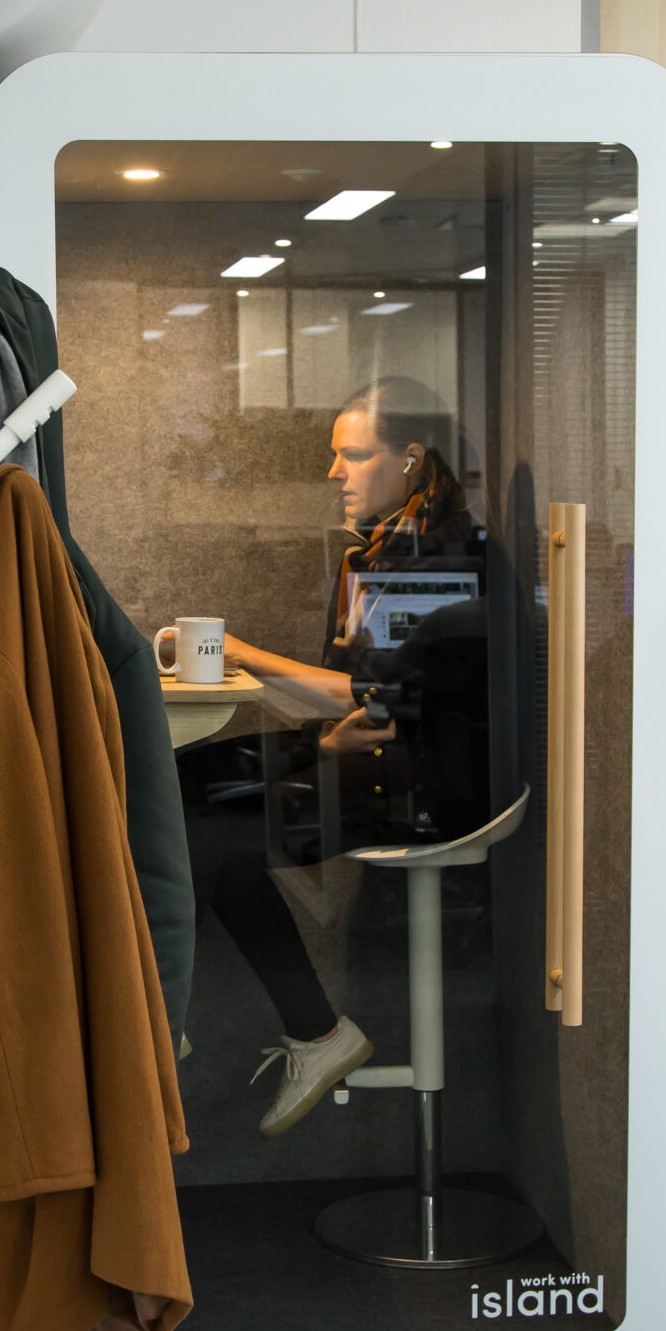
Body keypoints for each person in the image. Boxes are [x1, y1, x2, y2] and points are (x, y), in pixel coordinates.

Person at [179, 375, 480, 1137]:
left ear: (411, 458)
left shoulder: (436, 556)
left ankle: (187, 1021)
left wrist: (243, 653)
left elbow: (376, 701)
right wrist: (328, 724)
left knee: (208, 834)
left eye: (352, 454)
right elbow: (356, 693)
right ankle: (200, 1017)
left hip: (424, 779)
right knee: (179, 778)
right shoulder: (373, 552)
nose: (333, 473)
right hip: (380, 738)